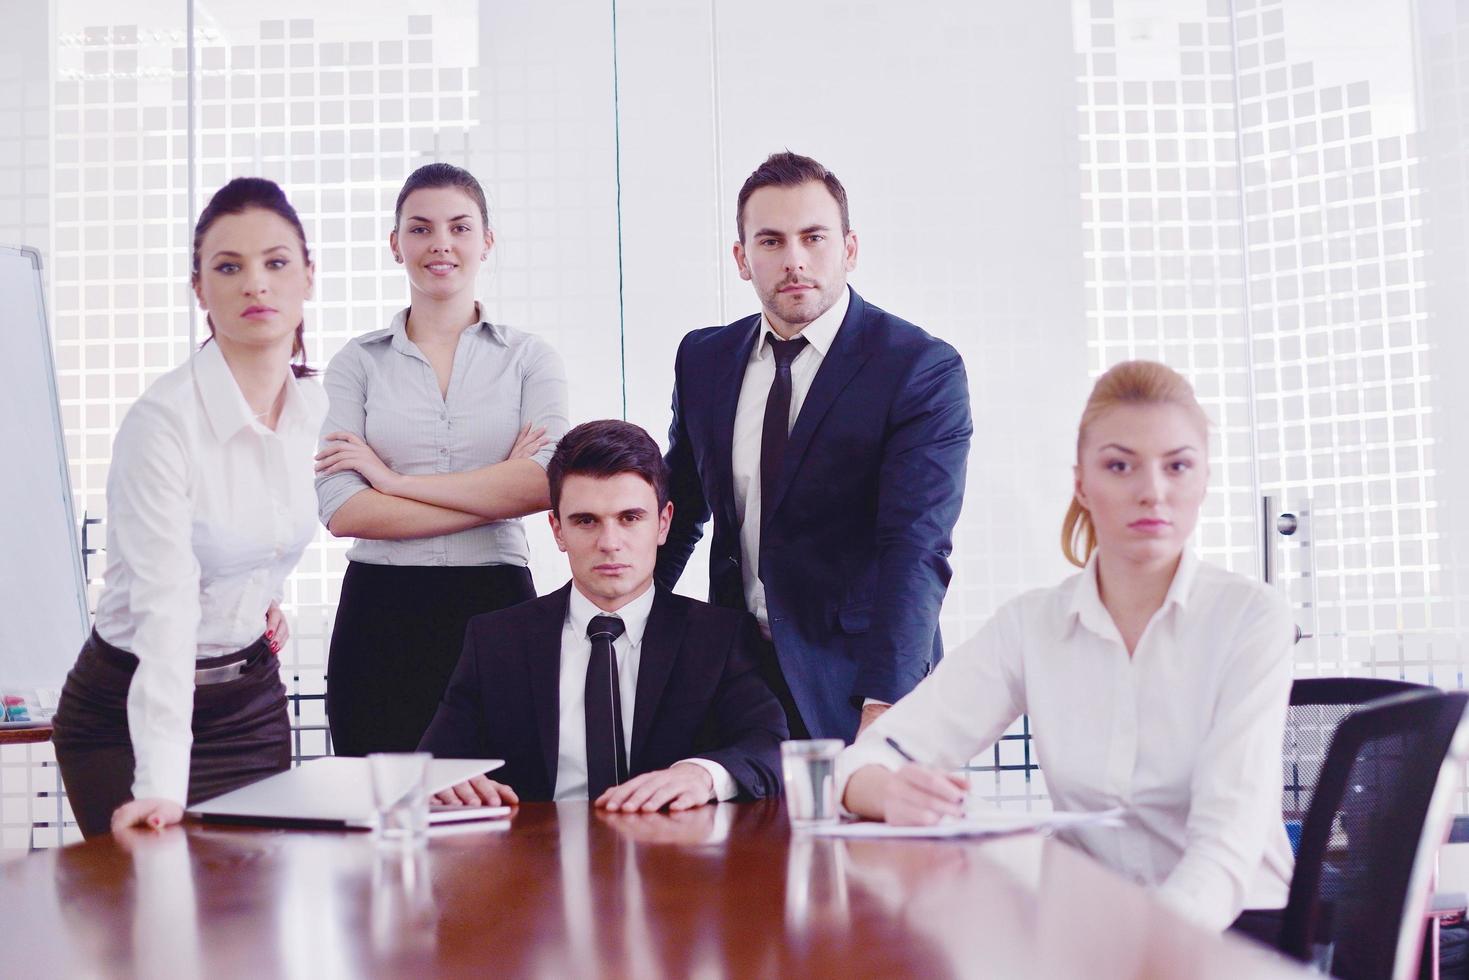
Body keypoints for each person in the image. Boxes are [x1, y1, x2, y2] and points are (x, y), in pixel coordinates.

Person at [837, 360, 1296, 932]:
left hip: (1237, 931)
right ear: (1082, 481)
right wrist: (887, 791)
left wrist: (1141, 953)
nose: (1152, 492)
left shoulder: (1252, 619)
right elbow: (862, 761)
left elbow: (1226, 846)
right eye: (1120, 465)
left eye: (1177, 466)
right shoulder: (1032, 626)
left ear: (1203, 479)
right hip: (1095, 927)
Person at [655, 151, 973, 743]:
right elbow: (678, 515)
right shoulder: (703, 360)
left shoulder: (918, 369)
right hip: (732, 676)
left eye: (814, 237)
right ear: (742, 259)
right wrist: (622, 631)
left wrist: (886, 702)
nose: (795, 260)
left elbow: (916, 545)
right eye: (771, 241)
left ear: (849, 249)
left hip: (855, 681)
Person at [51, 177, 327, 837]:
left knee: (251, 928)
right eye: (229, 267)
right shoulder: (163, 423)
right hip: (127, 709)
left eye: (276, 262)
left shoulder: (325, 412)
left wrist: (248, 592)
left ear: (308, 277)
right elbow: (166, 612)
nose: (255, 284)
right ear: (199, 289)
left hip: (248, 705)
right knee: (157, 921)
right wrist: (161, 787)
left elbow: (264, 537)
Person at [314, 162, 569, 756]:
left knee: (507, 813)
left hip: (497, 606)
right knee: (380, 811)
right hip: (380, 612)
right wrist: (494, 493)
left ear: (487, 241)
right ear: (396, 243)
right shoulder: (358, 363)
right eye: (421, 228)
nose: (441, 244)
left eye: (459, 227)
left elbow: (544, 485)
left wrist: (392, 480)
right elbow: (343, 508)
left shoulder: (530, 359)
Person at [422, 419, 787, 810]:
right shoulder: (495, 640)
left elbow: (770, 747)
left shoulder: (719, 637)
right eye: (586, 521)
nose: (609, 543)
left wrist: (702, 775)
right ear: (557, 530)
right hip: (533, 859)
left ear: (663, 523)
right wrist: (446, 783)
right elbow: (435, 764)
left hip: (675, 860)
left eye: (630, 518)